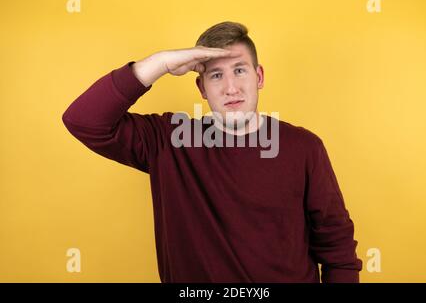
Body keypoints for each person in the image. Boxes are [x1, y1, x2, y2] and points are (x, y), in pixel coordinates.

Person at [62, 21, 363, 283]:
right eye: (216, 75)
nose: (231, 88)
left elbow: (337, 248)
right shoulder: (168, 141)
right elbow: (84, 121)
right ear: (201, 88)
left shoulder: (304, 147)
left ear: (259, 77)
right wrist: (159, 63)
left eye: (240, 70)